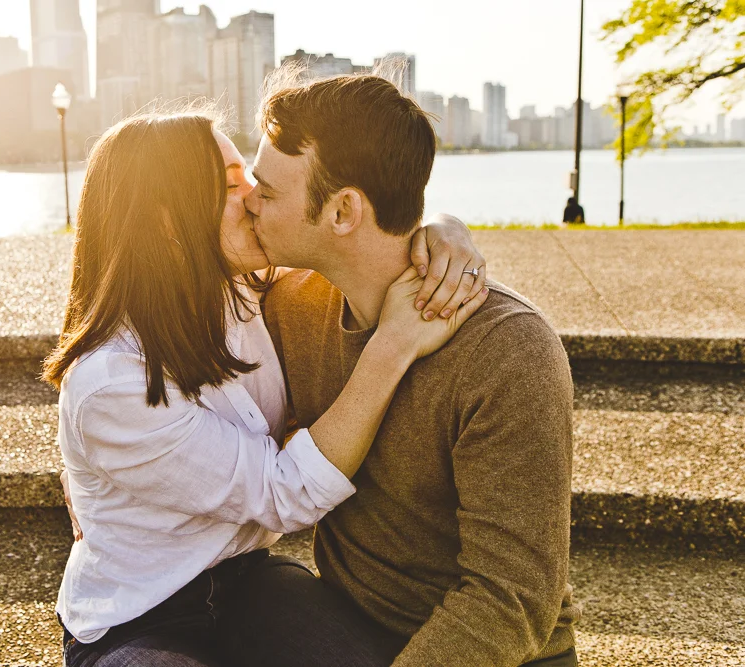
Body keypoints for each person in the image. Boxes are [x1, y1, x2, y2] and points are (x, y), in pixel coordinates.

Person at [44, 110, 489, 667]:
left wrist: (444, 227)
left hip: (250, 581)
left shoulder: (245, 286)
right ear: (166, 222)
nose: (255, 195)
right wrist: (394, 345)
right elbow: (286, 492)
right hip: (140, 610)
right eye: (231, 184)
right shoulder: (112, 383)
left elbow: (354, 243)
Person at [216, 74, 580, 666]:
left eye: (267, 189)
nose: (250, 200)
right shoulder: (291, 307)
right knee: (254, 591)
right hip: (350, 623)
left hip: (494, 652)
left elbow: (509, 601)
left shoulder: (509, 352)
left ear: (342, 211)